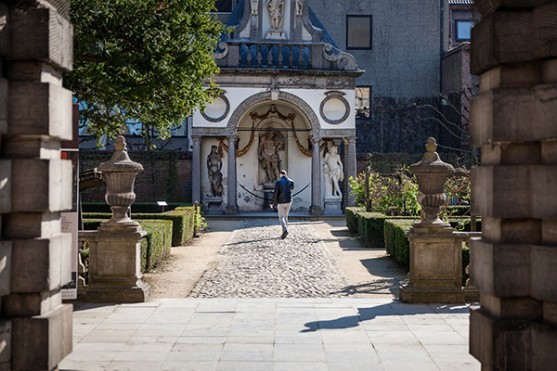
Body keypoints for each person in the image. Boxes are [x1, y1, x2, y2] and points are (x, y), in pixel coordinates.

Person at [270, 170, 294, 239]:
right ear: (286, 174)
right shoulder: (291, 181)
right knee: (286, 216)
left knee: (281, 217)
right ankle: (285, 230)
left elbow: (275, 193)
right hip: (289, 201)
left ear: (281, 174)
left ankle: (285, 230)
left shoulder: (278, 182)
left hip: (281, 202)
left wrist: (272, 202)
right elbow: (291, 189)